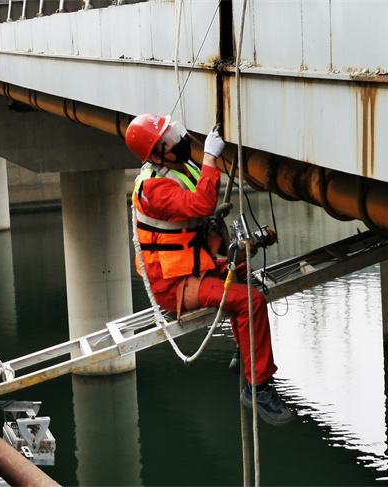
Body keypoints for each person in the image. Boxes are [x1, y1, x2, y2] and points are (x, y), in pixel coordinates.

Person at [125, 113, 295, 427]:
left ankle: (245, 352)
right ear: (156, 153)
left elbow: (195, 207)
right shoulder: (154, 188)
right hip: (173, 283)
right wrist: (211, 157)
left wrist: (212, 226)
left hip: (189, 263)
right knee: (249, 301)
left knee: (241, 270)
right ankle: (257, 388)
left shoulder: (176, 168)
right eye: (168, 140)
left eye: (173, 134)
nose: (178, 141)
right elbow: (201, 204)